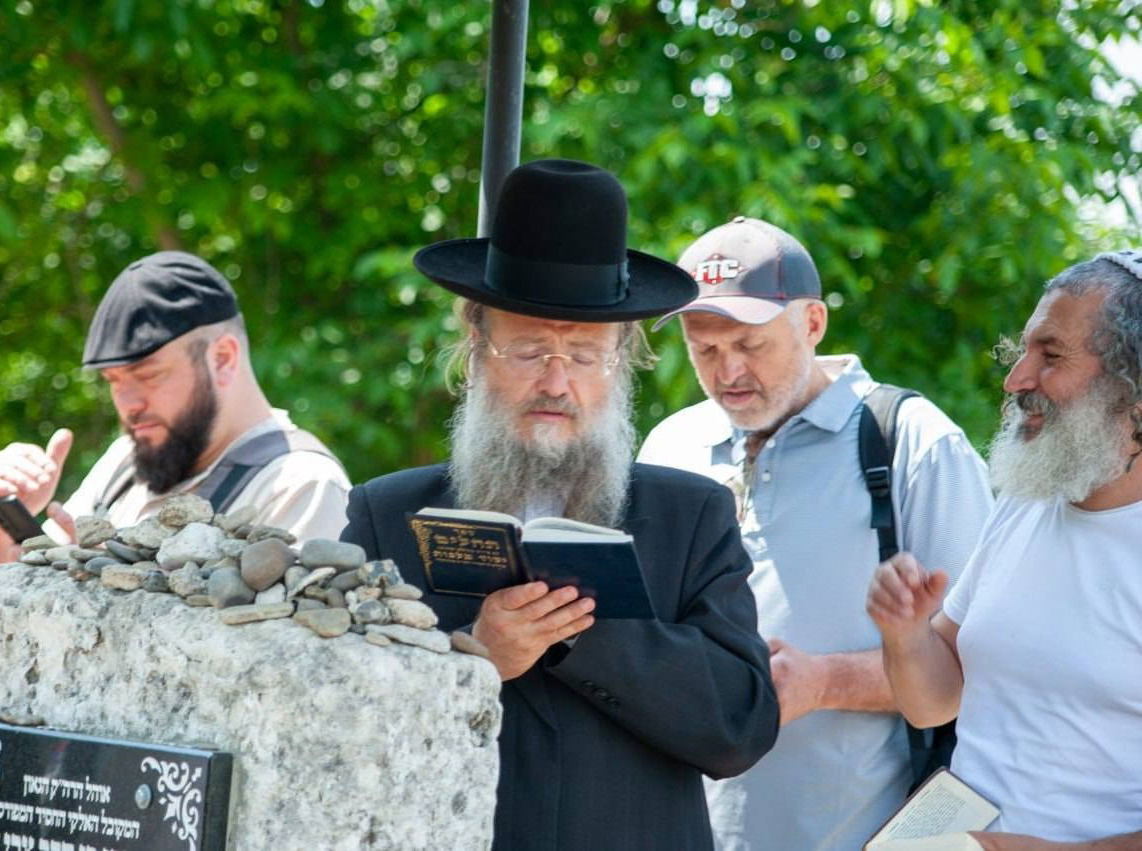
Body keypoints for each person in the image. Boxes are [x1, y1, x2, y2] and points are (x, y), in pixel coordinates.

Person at [339, 159, 779, 850]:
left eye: (582, 355)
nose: (555, 380)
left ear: (622, 360)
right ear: (477, 349)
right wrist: (474, 659)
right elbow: (343, 720)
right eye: (529, 349)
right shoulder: (384, 515)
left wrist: (579, 629)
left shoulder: (691, 517)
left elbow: (740, 726)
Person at [638, 216, 993, 850]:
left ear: (812, 323)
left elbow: (986, 667)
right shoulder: (670, 446)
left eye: (751, 344)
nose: (729, 373)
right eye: (705, 350)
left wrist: (824, 680)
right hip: (682, 831)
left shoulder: (911, 442)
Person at [868, 250, 1142, 848]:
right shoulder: (1030, 499)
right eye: (1023, 351)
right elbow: (933, 703)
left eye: (1051, 356)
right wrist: (907, 634)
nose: (1015, 378)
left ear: (1134, 389)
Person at [0, 251, 350, 571]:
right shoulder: (127, 460)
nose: (128, 403)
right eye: (114, 380)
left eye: (148, 375)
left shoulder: (301, 485)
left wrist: (107, 589)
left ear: (223, 358)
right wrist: (0, 530)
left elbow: (281, 648)